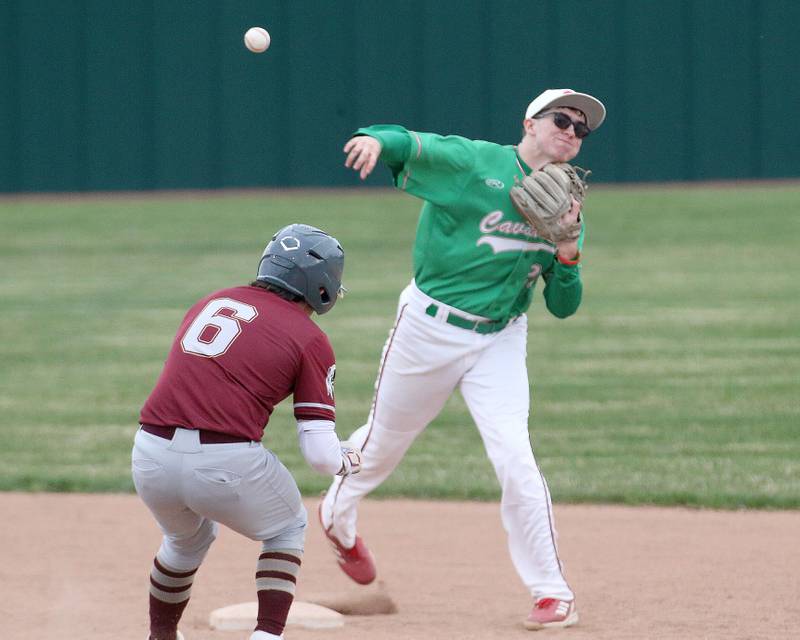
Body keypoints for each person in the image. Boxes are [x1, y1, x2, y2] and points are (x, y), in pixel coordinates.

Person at [319, 88, 606, 630]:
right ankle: (336, 514)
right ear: (530, 121)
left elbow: (564, 307)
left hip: (500, 338)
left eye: (581, 129)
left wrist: (568, 251)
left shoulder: (567, 206)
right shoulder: (478, 164)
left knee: (515, 458)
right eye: (562, 119)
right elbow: (411, 143)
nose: (571, 131)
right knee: (380, 450)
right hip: (428, 330)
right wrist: (372, 141)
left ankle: (552, 592)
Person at [132, 224, 362, 640]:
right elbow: (321, 456)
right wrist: (348, 459)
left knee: (187, 539)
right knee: (287, 527)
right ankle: (267, 635)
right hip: (224, 462)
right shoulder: (310, 338)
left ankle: (160, 635)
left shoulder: (213, 301)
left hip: (149, 454)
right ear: (322, 286)